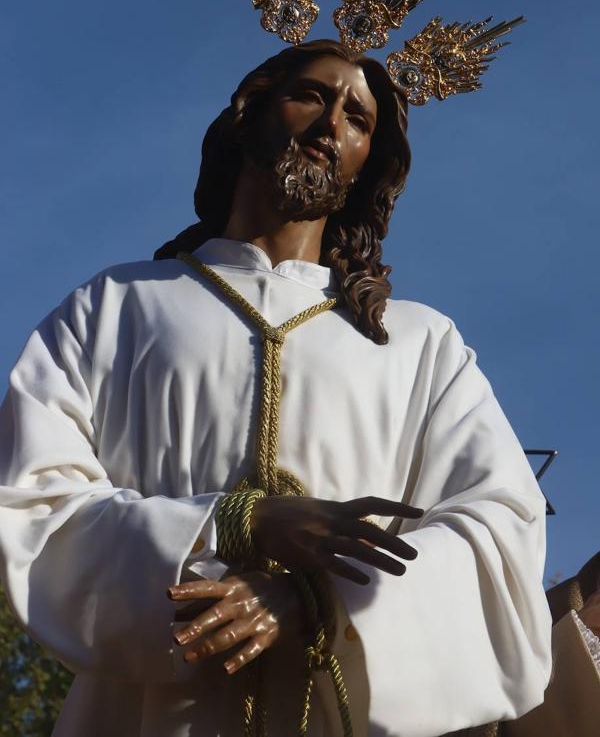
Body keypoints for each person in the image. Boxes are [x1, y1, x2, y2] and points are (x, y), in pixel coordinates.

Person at [0, 38, 552, 737]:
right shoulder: (116, 307)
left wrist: (318, 598)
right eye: (314, 96)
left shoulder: (420, 346)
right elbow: (35, 504)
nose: (332, 125)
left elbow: (501, 527)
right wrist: (235, 521)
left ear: (366, 164)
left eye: (358, 118)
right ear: (250, 109)